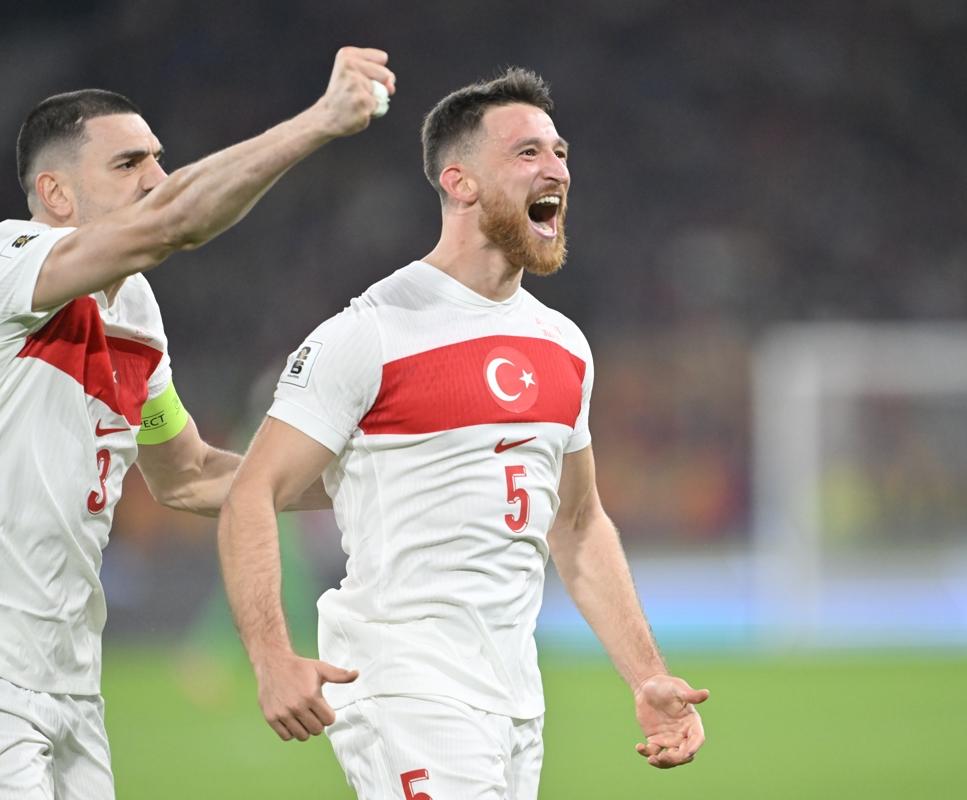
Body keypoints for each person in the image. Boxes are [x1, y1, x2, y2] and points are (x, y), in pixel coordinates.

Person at [218, 67, 708, 798]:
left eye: (560, 152)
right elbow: (252, 493)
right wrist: (270, 657)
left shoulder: (563, 344)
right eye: (527, 152)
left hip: (514, 700)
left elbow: (577, 522)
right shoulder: (372, 331)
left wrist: (646, 675)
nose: (556, 169)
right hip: (406, 686)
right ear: (460, 182)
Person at [0, 47, 395, 800]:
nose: (156, 178)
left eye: (158, 159)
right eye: (128, 164)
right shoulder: (12, 263)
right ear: (54, 193)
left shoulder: (133, 311)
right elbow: (175, 222)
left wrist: (379, 477)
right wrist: (320, 120)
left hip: (71, 683)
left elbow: (190, 474)